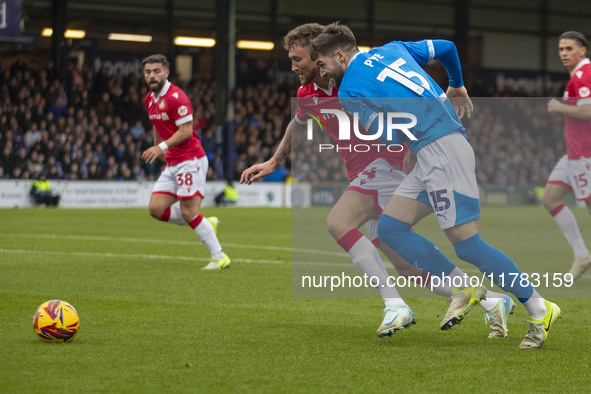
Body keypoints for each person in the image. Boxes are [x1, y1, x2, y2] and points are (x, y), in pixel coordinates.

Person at [241, 24, 513, 339]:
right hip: (364, 174)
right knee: (408, 267)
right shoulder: (307, 94)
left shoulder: (354, 80)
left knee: (339, 223)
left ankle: (395, 306)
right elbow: (299, 125)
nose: (293, 66)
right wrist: (275, 160)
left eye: (297, 58)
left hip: (388, 165)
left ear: (319, 57)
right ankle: (494, 301)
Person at [311, 22, 561, 348]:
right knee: (390, 228)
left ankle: (540, 308)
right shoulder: (394, 48)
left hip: (440, 153)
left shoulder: (349, 91)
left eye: (322, 64)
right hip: (435, 149)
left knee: (469, 246)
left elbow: (387, 133)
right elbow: (446, 47)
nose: (323, 72)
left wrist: (407, 139)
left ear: (340, 55)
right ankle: (466, 288)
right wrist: (455, 85)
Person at [141, 54, 230, 271]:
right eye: (148, 72)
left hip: (191, 160)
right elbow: (157, 124)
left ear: (166, 73)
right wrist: (158, 147)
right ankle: (204, 224)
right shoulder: (149, 99)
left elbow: (186, 130)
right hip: (173, 162)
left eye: (156, 71)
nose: (152, 76)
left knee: (189, 212)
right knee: (156, 209)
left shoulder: (176, 97)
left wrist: (160, 147)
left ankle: (219, 257)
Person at [543, 31, 591, 281]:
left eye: (569, 48)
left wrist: (559, 106)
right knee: (551, 198)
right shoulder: (577, 75)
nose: (564, 53)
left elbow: (588, 111)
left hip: (586, 154)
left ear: (583, 50)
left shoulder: (584, 75)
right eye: (561, 49)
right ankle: (582, 255)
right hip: (573, 154)